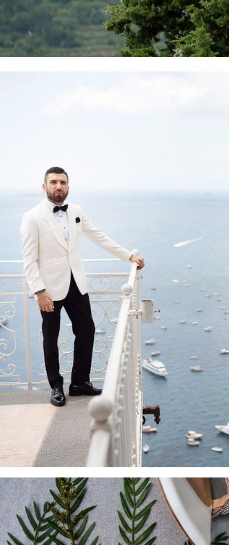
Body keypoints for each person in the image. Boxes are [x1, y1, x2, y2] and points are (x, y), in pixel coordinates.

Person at [20, 167, 145, 407]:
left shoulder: (76, 211)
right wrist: (39, 291)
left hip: (76, 284)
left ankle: (79, 382)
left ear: (68, 186)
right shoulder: (32, 217)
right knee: (50, 338)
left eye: (63, 182)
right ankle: (56, 386)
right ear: (44, 186)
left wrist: (128, 255)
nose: (59, 186)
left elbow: (98, 236)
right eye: (54, 182)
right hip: (49, 289)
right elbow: (29, 259)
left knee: (86, 330)